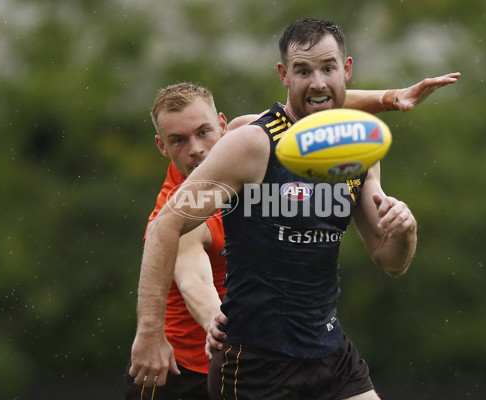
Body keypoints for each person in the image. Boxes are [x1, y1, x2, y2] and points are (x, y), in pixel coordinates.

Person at [129, 24, 460, 398]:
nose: (317, 82)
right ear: (284, 75)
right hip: (257, 365)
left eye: (328, 68)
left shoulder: (358, 150)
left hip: (332, 356)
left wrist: (405, 231)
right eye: (303, 71)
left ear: (346, 69)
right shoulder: (250, 144)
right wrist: (150, 332)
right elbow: (164, 229)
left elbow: (391, 262)